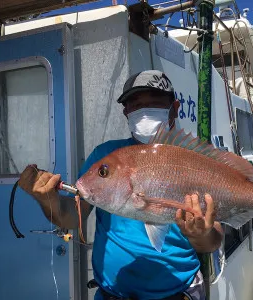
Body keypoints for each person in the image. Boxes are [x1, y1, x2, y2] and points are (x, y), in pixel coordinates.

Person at [18, 70, 224, 300]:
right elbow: (71, 217)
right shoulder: (105, 155)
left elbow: (213, 241)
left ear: (174, 108)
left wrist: (199, 235)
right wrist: (48, 199)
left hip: (177, 293)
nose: (144, 110)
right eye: (135, 104)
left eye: (154, 101)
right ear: (126, 112)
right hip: (112, 294)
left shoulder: (195, 160)